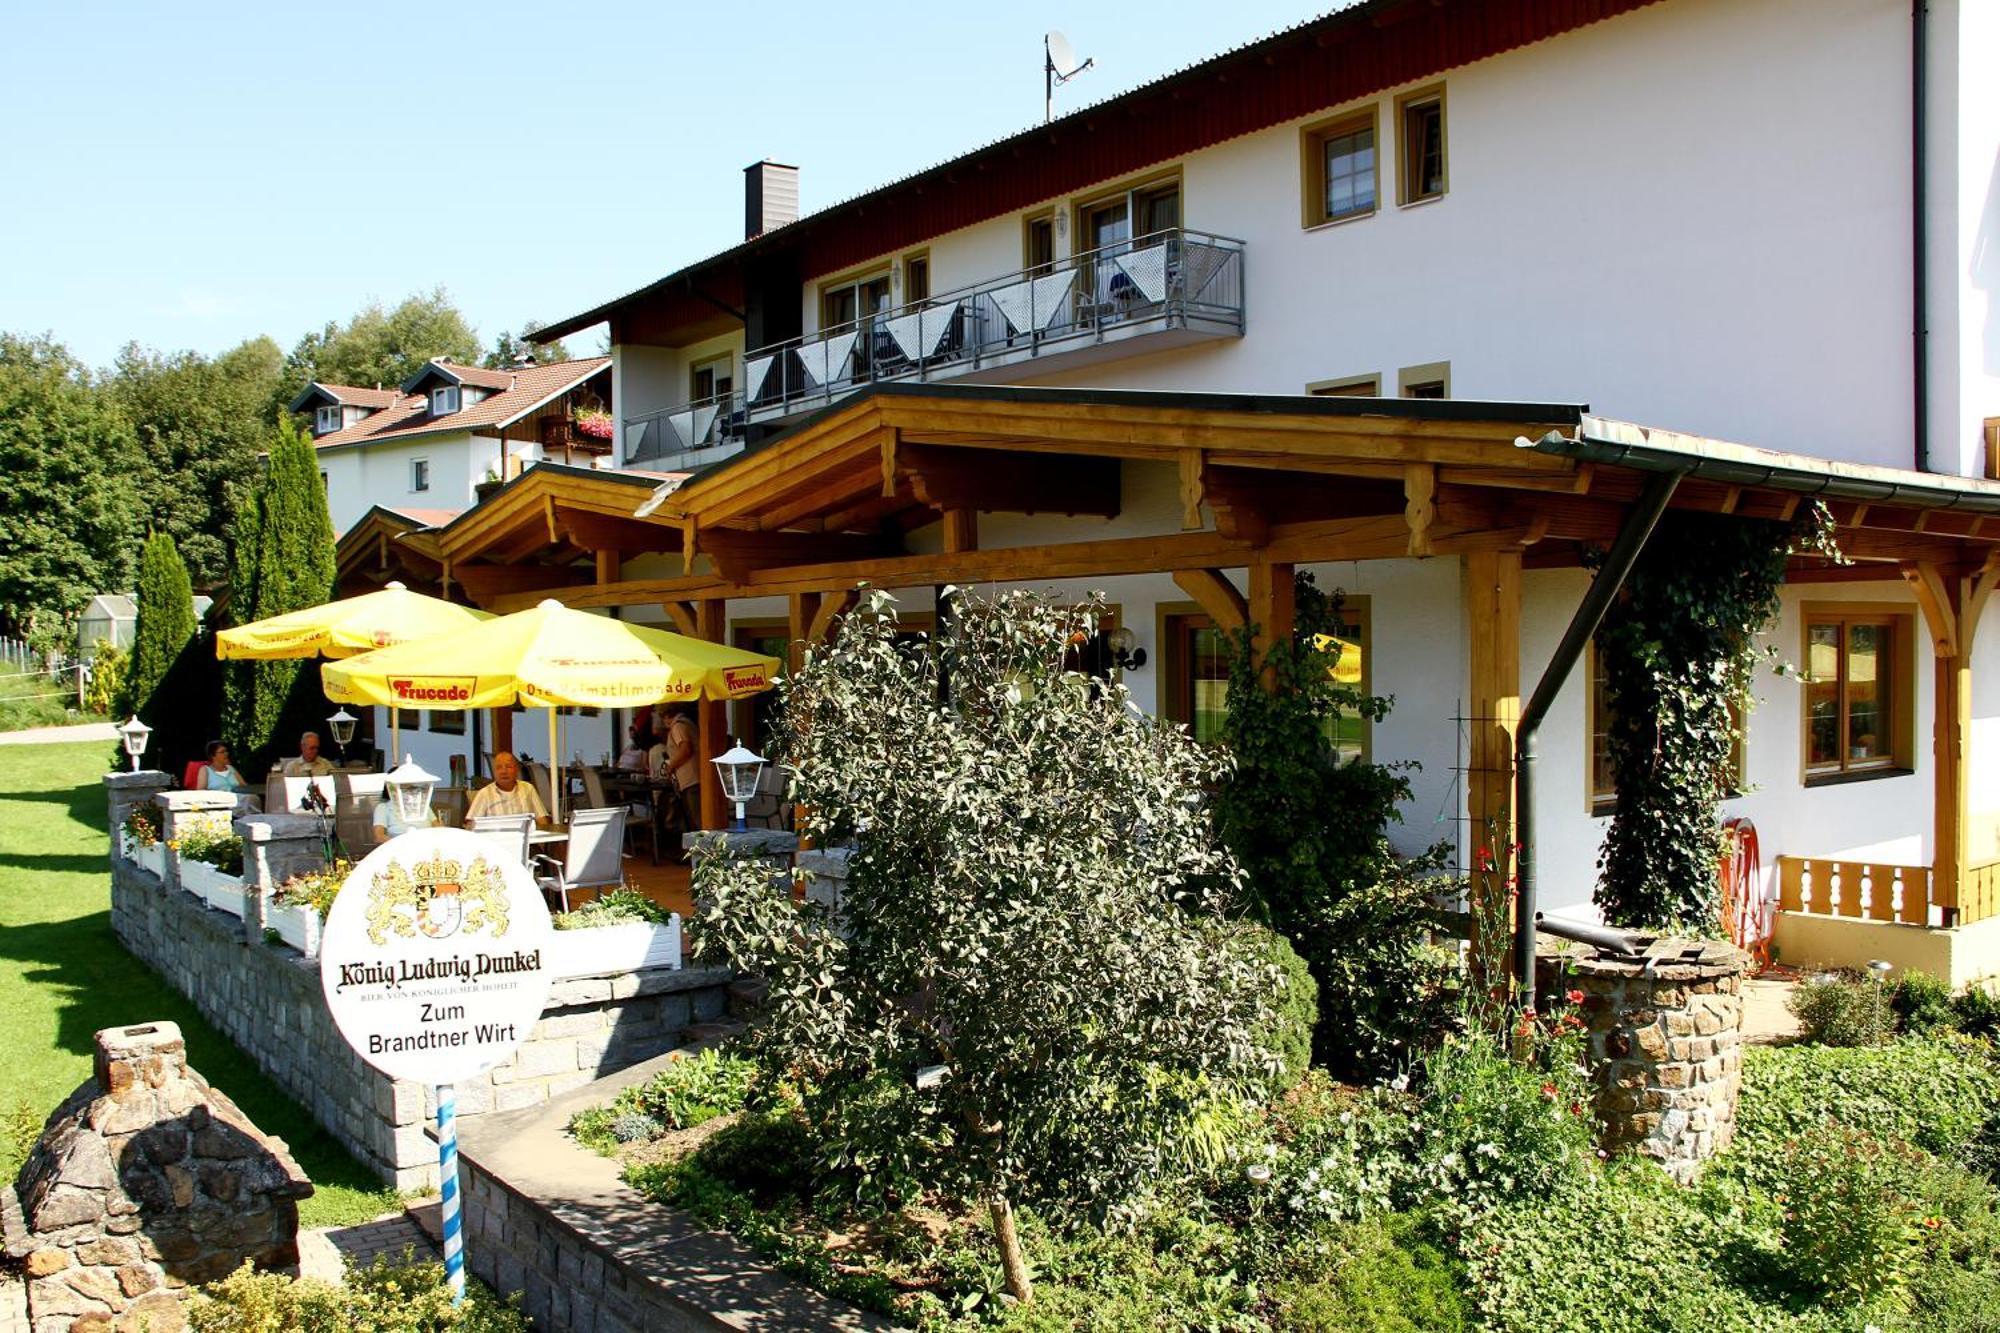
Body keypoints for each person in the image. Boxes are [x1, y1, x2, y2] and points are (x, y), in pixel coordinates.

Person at [463, 751, 550, 827]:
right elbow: (471, 825)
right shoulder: (484, 793)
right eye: (499, 767)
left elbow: (542, 819)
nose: (504, 771)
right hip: (497, 843)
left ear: (516, 770)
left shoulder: (528, 788)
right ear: (494, 772)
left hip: (526, 841)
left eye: (508, 766)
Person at [651, 707, 700, 835]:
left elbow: (685, 749)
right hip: (693, 778)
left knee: (696, 820)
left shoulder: (678, 726)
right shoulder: (687, 723)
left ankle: (703, 851)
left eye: (662, 718)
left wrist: (671, 766)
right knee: (694, 819)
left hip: (690, 779)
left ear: (667, 716)